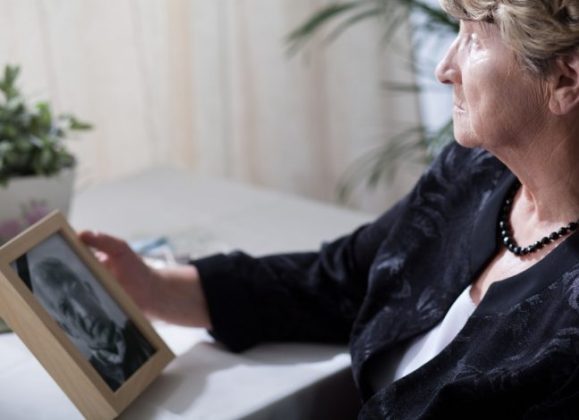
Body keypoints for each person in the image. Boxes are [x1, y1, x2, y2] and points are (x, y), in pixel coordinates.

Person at [80, 0, 579, 417]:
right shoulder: (477, 173)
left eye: (474, 40)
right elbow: (346, 279)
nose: (444, 68)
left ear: (566, 78)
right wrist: (155, 287)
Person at [30, 257, 155, 391]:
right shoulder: (87, 384)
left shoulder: (145, 331)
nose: (84, 312)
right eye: (66, 309)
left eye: (79, 293)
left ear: (92, 294)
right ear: (66, 329)